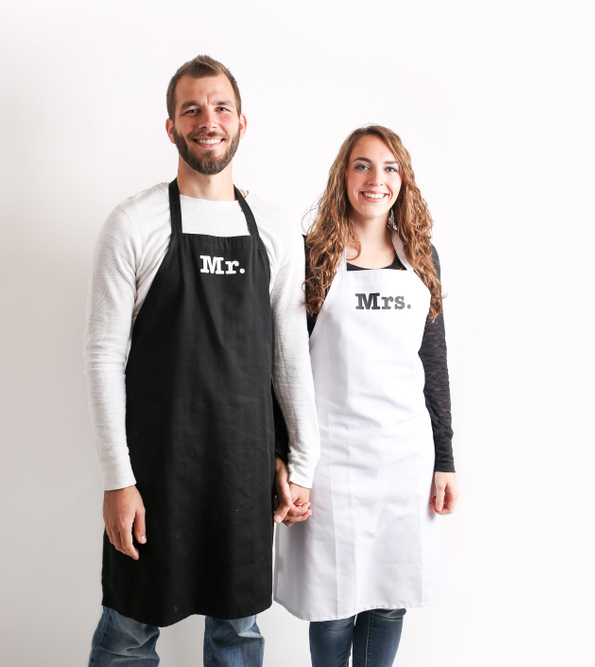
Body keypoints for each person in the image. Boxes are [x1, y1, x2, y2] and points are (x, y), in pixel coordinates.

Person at [84, 55, 319, 666]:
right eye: (190, 108)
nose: (206, 120)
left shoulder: (272, 227)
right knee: (129, 629)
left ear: (242, 122)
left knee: (238, 633)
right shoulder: (133, 223)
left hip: (244, 469)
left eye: (219, 107)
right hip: (154, 471)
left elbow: (289, 353)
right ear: (171, 127)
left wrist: (303, 464)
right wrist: (118, 478)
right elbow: (105, 355)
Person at [272, 126, 460, 667]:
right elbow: (282, 366)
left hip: (403, 459)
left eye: (389, 168)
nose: (376, 180)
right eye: (362, 166)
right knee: (331, 606)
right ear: (343, 175)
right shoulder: (313, 257)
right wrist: (284, 457)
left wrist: (444, 459)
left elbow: (435, 364)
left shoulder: (421, 258)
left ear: (404, 180)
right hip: (330, 461)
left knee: (388, 601)